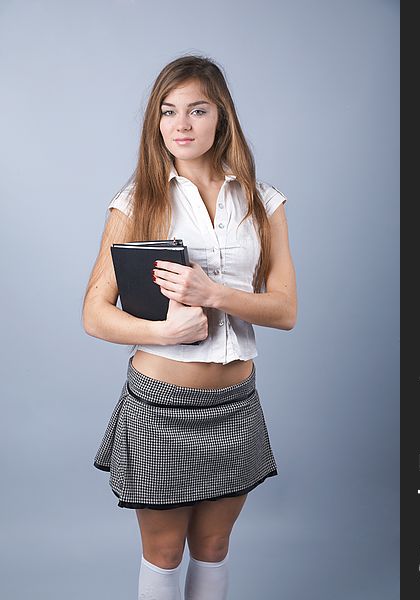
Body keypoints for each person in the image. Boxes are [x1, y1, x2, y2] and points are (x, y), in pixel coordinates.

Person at [82, 54, 297, 600]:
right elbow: (94, 312)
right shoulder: (137, 201)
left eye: (197, 110)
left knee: (215, 546)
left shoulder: (261, 201)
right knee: (163, 553)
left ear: (220, 115)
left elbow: (286, 310)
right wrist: (162, 334)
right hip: (161, 406)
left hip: (235, 404)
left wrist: (215, 294)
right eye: (168, 111)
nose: (181, 125)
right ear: (156, 122)